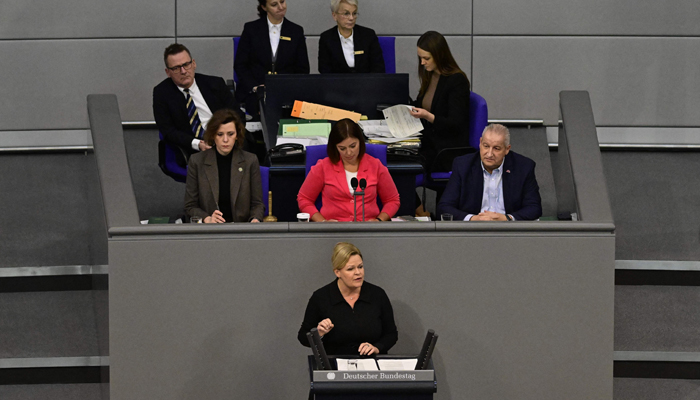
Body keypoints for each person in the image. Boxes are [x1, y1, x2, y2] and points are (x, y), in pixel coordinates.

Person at [153, 43, 246, 167]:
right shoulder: (162, 93)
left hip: (226, 140)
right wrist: (198, 144)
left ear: (194, 63)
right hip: (193, 149)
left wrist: (226, 138)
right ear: (168, 72)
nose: (183, 71)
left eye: (186, 65)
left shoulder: (215, 84)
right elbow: (168, 131)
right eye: (176, 68)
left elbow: (237, 115)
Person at [298, 242, 398, 356]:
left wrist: (377, 348)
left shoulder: (377, 295)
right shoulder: (321, 297)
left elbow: (391, 334)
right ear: (337, 272)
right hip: (335, 367)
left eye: (360, 267)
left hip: (371, 366)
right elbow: (303, 337)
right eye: (350, 269)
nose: (358, 272)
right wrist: (319, 333)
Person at [297, 119, 400, 222]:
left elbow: (392, 200)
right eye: (342, 148)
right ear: (335, 147)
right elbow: (304, 199)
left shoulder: (376, 165)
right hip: (333, 231)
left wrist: (379, 220)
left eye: (353, 146)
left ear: (360, 142)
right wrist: (323, 222)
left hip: (367, 230)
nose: (349, 153)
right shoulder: (323, 167)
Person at [437, 124, 542, 221]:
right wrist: (473, 219)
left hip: (508, 231)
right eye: (486, 146)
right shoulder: (463, 165)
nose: (489, 154)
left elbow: (534, 208)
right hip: (473, 231)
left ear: (507, 149)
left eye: (496, 148)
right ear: (480, 143)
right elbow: (444, 207)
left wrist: (507, 219)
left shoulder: (523, 167)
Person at [184, 109, 264, 223]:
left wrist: (255, 219)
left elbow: (257, 204)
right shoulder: (197, 161)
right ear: (212, 136)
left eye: (230, 134)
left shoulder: (250, 160)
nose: (225, 140)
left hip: (241, 229)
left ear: (237, 135)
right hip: (210, 230)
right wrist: (207, 218)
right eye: (220, 134)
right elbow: (190, 205)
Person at [234, 0, 310, 117]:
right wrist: (255, 87)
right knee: (262, 112)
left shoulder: (296, 31)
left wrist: (287, 87)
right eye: (274, 4)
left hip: (286, 92)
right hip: (255, 92)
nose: (281, 7)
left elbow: (302, 69)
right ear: (264, 7)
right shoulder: (251, 29)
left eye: (282, 2)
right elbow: (240, 65)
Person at [409, 31, 471, 174]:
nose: (422, 63)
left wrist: (428, 116)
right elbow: (421, 104)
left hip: (445, 149)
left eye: (426, 58)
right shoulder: (430, 74)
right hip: (429, 141)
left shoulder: (457, 81)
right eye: (420, 58)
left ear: (439, 55)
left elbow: (456, 123)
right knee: (395, 159)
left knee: (403, 168)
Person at [318, 0, 385, 74]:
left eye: (354, 13)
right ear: (334, 16)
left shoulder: (368, 35)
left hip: (366, 83)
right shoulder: (326, 38)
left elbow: (378, 68)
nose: (351, 18)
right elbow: (325, 71)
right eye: (346, 14)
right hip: (337, 84)